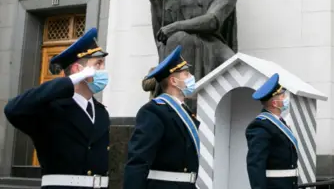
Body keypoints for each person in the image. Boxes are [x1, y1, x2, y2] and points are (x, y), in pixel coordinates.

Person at [4, 28, 110, 188]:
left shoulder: (100, 112)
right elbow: (12, 109)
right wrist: (70, 81)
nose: (103, 70)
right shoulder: (51, 109)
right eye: (98, 64)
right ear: (78, 70)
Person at [124, 46, 200, 189]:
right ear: (173, 81)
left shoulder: (186, 111)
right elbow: (138, 161)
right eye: (186, 74)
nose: (191, 78)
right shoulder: (154, 111)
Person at [245, 73, 298, 189]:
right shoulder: (261, 127)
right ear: (274, 103)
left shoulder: (279, 123)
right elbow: (255, 165)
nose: (285, 99)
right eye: (282, 96)